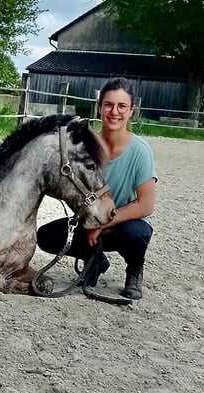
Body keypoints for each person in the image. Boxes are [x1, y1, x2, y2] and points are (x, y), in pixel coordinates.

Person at [37, 77, 157, 299]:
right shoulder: (85, 147)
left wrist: (103, 225)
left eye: (122, 106)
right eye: (109, 105)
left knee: (135, 234)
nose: (114, 112)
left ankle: (134, 270)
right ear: (100, 107)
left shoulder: (141, 151)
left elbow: (145, 206)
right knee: (45, 236)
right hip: (90, 220)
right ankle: (95, 260)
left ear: (131, 110)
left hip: (125, 224)